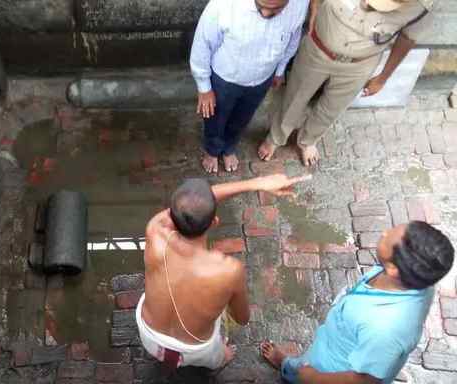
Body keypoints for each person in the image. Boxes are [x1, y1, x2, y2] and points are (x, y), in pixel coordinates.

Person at [136, 174, 311, 371]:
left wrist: (257, 183)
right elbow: (241, 319)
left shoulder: (154, 230)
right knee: (216, 358)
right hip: (196, 349)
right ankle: (222, 359)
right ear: (214, 222)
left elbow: (188, 205)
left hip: (149, 335)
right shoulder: (228, 270)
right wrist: (256, 183)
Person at [261, 221, 454, 383]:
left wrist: (314, 377)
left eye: (388, 236)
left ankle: (285, 365)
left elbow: (364, 380)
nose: (384, 232)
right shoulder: (417, 279)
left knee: (300, 372)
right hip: (335, 343)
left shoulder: (386, 330)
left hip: (332, 370)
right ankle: (288, 366)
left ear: (394, 268)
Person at [258, 0, 434, 166]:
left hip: (359, 64)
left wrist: (382, 78)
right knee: (295, 97)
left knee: (331, 109)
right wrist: (314, 7)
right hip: (317, 49)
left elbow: (407, 39)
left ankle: (308, 140)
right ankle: (276, 137)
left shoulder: (421, 6)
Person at [190, 0, 309, 174]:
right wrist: (204, 88)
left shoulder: (300, 4)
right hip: (224, 80)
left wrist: (280, 70)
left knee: (242, 119)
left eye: (276, 9)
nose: (266, 14)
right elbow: (202, 46)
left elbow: (293, 37)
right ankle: (212, 150)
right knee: (215, 119)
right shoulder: (222, 6)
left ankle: (229, 147)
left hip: (262, 80)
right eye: (260, 6)